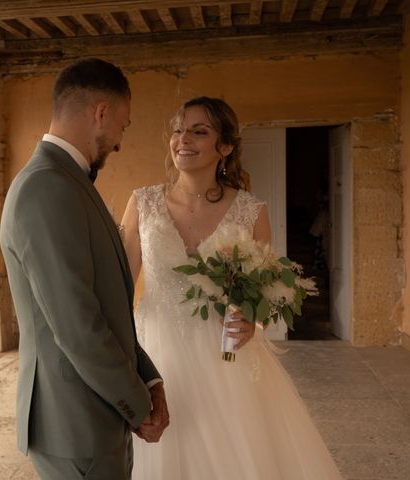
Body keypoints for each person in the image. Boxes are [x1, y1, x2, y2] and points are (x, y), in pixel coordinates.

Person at [121, 96, 343, 479]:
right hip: (160, 352)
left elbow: (267, 291)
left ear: (224, 147)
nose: (182, 139)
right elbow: (121, 286)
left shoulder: (250, 211)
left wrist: (252, 323)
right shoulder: (143, 203)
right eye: (178, 130)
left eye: (198, 131)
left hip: (228, 361)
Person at [0, 58, 169, 480]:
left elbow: (106, 307)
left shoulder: (68, 181)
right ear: (101, 112)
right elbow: (78, 325)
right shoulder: (46, 187)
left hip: (92, 417)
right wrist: (136, 401)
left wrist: (148, 380)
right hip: (74, 425)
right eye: (123, 126)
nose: (119, 143)